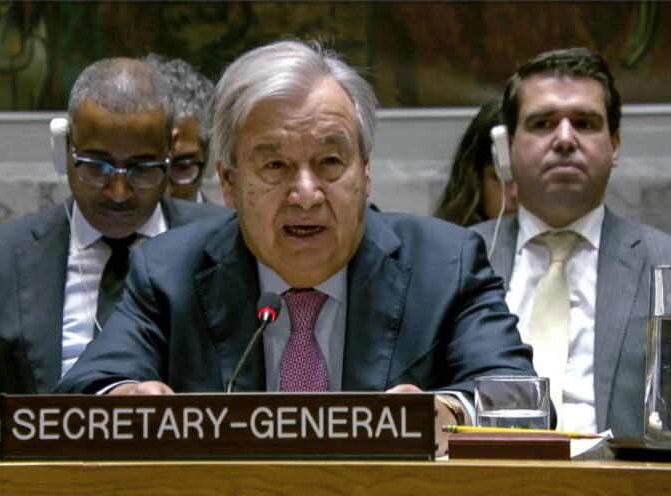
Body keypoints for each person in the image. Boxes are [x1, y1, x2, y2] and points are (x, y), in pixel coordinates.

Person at [56, 40, 536, 456]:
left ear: (365, 172)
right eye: (275, 166)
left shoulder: (446, 264)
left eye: (330, 161)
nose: (306, 194)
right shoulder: (167, 272)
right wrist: (123, 397)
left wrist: (451, 409)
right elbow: (82, 392)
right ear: (228, 181)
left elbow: (524, 398)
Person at [0, 57, 225, 438]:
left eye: (143, 168)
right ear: (64, 148)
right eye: (96, 167)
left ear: (170, 149)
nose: (118, 192)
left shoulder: (222, 246)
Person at [473, 47, 671, 437]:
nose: (565, 139)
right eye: (543, 123)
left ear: (614, 145)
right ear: (508, 147)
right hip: (483, 487)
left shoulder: (663, 261)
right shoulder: (459, 260)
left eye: (584, 122)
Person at [434, 96, 518, 227]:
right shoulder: (445, 244)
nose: (515, 194)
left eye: (529, 178)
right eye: (500, 175)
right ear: (476, 180)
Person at [142, 54, 216, 203]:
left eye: (182, 168)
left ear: (206, 154)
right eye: (146, 168)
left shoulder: (237, 225)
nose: (166, 191)